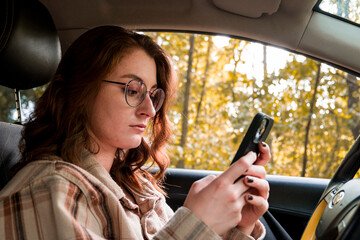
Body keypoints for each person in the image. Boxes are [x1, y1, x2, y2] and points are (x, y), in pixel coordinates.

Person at [0, 26, 270, 239]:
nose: (150, 110)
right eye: (132, 90)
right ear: (80, 91)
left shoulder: (135, 185)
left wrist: (236, 228)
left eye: (153, 95)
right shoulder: (49, 191)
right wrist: (197, 224)